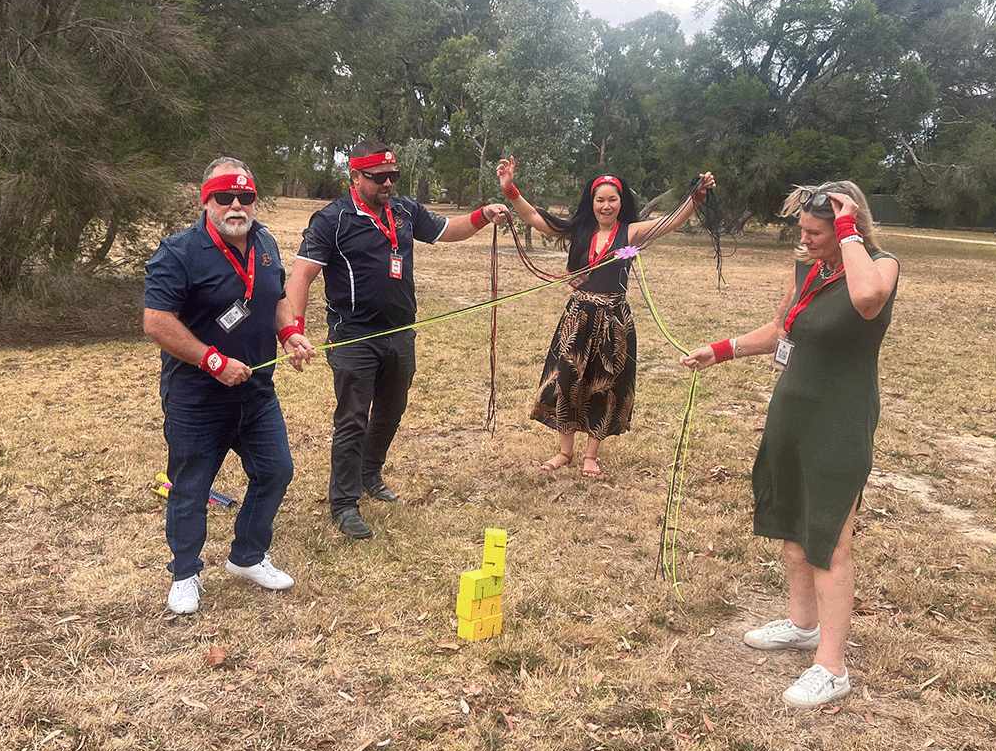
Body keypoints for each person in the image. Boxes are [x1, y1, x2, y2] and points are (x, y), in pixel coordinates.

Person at [680, 181, 899, 708]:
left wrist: (847, 233)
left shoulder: (878, 265)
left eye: (816, 231)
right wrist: (722, 350)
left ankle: (832, 666)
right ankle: (803, 625)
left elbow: (868, 301)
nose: (805, 241)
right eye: (802, 230)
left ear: (848, 224)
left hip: (839, 418)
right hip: (792, 410)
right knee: (793, 522)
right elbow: (782, 330)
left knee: (830, 538)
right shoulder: (808, 269)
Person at [286, 141, 509, 540]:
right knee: (353, 418)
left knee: (391, 410)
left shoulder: (404, 211)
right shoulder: (332, 220)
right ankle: (344, 502)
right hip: (353, 336)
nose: (388, 183)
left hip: (400, 333)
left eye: (394, 175)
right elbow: (301, 275)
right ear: (356, 177)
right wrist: (295, 328)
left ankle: (371, 472)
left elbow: (446, 231)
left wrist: (481, 216)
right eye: (379, 177)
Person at [144, 158, 315, 615]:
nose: (237, 205)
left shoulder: (264, 242)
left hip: (256, 391)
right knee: (191, 486)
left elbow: (275, 299)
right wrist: (212, 360)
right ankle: (185, 574)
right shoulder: (179, 251)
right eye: (225, 197)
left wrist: (290, 333)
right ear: (207, 200)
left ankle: (248, 556)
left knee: (276, 471)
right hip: (196, 396)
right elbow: (156, 322)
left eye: (246, 197)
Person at [496, 157, 716, 478]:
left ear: (621, 202)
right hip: (578, 316)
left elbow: (669, 223)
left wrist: (694, 198)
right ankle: (565, 451)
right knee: (567, 379)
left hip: (613, 319)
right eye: (600, 199)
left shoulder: (631, 232)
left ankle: (591, 455)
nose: (606, 205)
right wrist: (509, 188)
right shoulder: (579, 230)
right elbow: (533, 217)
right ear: (592, 202)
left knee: (605, 383)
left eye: (613, 199)